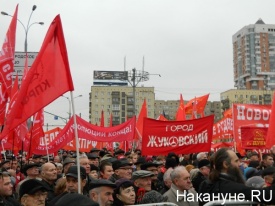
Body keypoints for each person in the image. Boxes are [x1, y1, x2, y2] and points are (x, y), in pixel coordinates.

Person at [198, 148, 275, 206]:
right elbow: (268, 195)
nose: (240, 164)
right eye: (236, 161)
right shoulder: (234, 188)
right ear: (226, 164)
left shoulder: (204, 184)